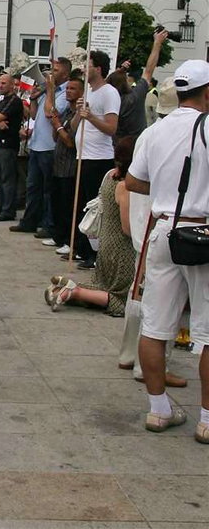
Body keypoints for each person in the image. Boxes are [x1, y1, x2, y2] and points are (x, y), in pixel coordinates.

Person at [126, 59, 209, 443]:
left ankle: (159, 410)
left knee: (155, 325)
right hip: (203, 231)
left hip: (164, 229)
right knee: (207, 334)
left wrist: (166, 194)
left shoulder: (155, 131)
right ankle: (207, 419)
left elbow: (132, 181)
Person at [46, 136, 137, 315]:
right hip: (121, 249)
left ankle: (64, 290)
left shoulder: (109, 175)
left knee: (103, 285)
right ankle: (75, 291)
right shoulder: (125, 186)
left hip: (106, 244)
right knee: (123, 299)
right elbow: (127, 228)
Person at [71, 50, 121, 268]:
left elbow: (111, 128)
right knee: (81, 205)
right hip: (82, 156)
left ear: (98, 69)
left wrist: (90, 116)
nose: (83, 69)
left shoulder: (109, 93)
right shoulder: (89, 91)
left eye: (87, 65)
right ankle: (82, 249)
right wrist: (78, 112)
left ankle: (96, 254)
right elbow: (75, 126)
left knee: (95, 208)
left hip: (99, 158)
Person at [11, 57, 70, 237]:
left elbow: (50, 113)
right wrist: (35, 98)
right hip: (37, 145)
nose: (52, 73)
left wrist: (50, 89)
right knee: (33, 187)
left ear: (66, 73)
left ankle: (48, 224)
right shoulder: (48, 90)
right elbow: (36, 114)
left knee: (48, 190)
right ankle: (29, 221)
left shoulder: (64, 92)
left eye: (57, 70)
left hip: (50, 147)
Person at [109, 29, 167, 142]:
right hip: (137, 143)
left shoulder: (109, 101)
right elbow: (148, 71)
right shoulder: (134, 97)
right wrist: (157, 43)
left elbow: (108, 80)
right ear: (126, 82)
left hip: (115, 147)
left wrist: (120, 71)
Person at [47, 74, 82, 257]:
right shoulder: (66, 112)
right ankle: (58, 236)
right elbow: (56, 136)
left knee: (68, 207)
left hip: (70, 166)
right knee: (57, 203)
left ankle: (70, 241)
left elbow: (70, 141)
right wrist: (56, 125)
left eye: (73, 89)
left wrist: (58, 127)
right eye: (67, 88)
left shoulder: (78, 114)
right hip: (58, 164)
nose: (68, 91)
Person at [0, 73, 24, 222]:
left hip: (8, 144)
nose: (0, 86)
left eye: (3, 83)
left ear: (12, 85)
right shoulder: (1, 102)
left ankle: (8, 210)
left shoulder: (14, 101)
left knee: (8, 178)